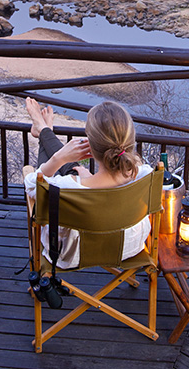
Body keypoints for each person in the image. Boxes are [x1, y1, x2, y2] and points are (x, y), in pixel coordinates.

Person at [23, 98, 152, 269]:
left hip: (71, 254)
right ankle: (44, 130)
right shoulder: (145, 175)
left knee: (58, 169)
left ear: (90, 145)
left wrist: (59, 158)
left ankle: (43, 131)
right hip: (129, 248)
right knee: (73, 169)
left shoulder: (67, 187)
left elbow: (33, 183)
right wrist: (87, 177)